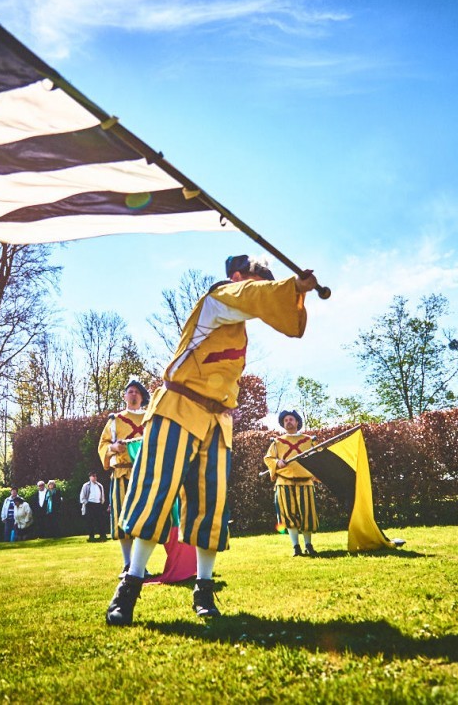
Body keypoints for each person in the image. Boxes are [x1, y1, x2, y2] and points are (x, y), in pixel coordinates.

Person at [106, 254, 317, 626]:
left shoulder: (238, 323)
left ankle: (203, 590)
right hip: (177, 407)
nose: (260, 286)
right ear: (237, 278)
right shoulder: (217, 300)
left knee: (210, 505)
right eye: (256, 279)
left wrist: (297, 295)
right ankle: (129, 586)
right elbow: (254, 296)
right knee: (155, 492)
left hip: (217, 421)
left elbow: (288, 323)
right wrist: (289, 287)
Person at [98, 378, 149, 574]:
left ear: (142, 396)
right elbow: (102, 445)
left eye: (137, 391)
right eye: (130, 391)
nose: (133, 394)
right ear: (124, 396)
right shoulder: (115, 420)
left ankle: (140, 565)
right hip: (121, 473)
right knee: (123, 517)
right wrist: (113, 447)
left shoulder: (150, 418)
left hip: (145, 474)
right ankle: (128, 563)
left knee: (143, 519)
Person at [263, 409, 319, 557]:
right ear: (283, 423)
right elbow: (268, 459)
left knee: (307, 514)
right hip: (284, 483)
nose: (288, 422)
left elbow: (319, 457)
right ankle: (296, 547)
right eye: (286, 420)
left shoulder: (309, 440)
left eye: (291, 419)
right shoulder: (277, 442)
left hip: (305, 482)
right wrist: (277, 462)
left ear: (297, 422)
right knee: (288, 515)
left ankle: (308, 545)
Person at [79, 472, 107, 542]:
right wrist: (86, 503)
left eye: (95, 476)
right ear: (90, 477)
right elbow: (82, 496)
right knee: (90, 521)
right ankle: (91, 536)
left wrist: (102, 502)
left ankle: (102, 535)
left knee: (100, 520)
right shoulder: (86, 485)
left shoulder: (100, 485)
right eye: (93, 476)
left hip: (98, 504)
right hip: (89, 504)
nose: (94, 477)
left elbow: (102, 495)